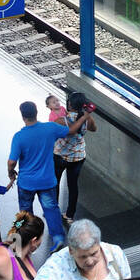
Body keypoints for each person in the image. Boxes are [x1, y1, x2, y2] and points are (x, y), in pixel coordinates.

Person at [7, 100, 93, 250]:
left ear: (23, 116)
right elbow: (72, 130)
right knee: (51, 209)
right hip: (47, 180)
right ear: (36, 113)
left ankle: (25, 239)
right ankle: (58, 238)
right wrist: (84, 117)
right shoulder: (50, 128)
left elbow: (11, 162)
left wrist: (11, 174)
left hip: (26, 183)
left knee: (25, 213)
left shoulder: (19, 137)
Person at [53, 92, 97, 227]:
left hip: (60, 156)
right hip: (78, 157)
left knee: (55, 184)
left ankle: (54, 212)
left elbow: (54, 135)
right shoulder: (86, 119)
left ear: (70, 104)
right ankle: (70, 215)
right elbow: (94, 129)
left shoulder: (61, 121)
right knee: (73, 186)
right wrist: (87, 115)